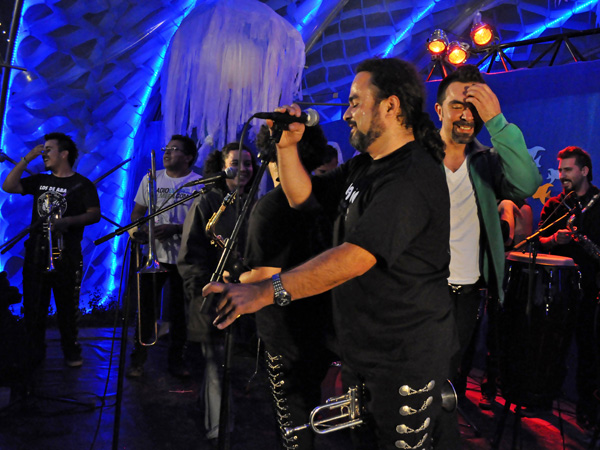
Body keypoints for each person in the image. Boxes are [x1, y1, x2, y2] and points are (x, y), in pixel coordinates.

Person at [204, 57, 458, 450]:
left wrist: (264, 291)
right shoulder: (364, 167)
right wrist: (287, 148)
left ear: (390, 106)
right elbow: (303, 198)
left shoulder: (410, 176)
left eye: (356, 102)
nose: (348, 113)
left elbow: (355, 256)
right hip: (365, 352)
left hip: (402, 357)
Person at [434, 65, 541, 413]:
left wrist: (497, 121)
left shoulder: (488, 162)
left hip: (462, 296)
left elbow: (526, 184)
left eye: (474, 107)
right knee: (409, 379)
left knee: (446, 385)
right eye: (457, 106)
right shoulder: (416, 158)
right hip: (415, 289)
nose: (466, 116)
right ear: (438, 110)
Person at [241, 124, 337, 449]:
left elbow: (263, 277)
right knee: (315, 416)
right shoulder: (327, 196)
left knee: (292, 426)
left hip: (285, 330)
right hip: (325, 323)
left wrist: (232, 278)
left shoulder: (270, 206)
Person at [177, 142, 257, 442]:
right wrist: (202, 294)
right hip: (212, 297)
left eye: (248, 164)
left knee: (226, 366)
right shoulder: (208, 203)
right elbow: (190, 258)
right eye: (236, 162)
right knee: (214, 363)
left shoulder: (252, 201)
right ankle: (218, 430)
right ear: (222, 166)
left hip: (245, 296)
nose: (244, 169)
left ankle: (217, 419)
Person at [2, 132, 100, 368]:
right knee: (34, 306)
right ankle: (34, 352)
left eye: (48, 149)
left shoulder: (81, 184)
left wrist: (68, 222)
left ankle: (71, 350)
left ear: (64, 153)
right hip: (37, 251)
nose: (44, 153)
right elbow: (8, 186)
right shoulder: (40, 180)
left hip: (66, 252)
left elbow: (94, 214)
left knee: (67, 305)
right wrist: (26, 159)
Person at [127, 134, 201, 378]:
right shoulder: (151, 179)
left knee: (179, 313)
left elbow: (204, 225)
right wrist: (141, 231)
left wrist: (176, 229)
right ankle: (138, 357)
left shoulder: (199, 184)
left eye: (174, 149)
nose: (167, 152)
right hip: (154, 255)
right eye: (166, 148)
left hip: (184, 259)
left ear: (189, 157)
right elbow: (137, 212)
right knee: (145, 310)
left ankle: (176, 360)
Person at [538, 146, 600, 430]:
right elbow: (536, 243)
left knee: (589, 351)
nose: (561, 175)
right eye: (560, 170)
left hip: (591, 289)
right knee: (550, 345)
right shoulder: (555, 205)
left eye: (567, 170)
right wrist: (553, 240)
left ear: (584, 171)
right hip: (557, 290)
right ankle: (542, 399)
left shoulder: (599, 203)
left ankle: (587, 408)